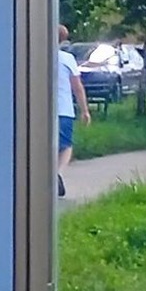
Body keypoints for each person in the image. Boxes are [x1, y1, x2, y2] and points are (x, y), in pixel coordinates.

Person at [54, 24, 90, 196]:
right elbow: (77, 87)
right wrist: (85, 110)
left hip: (41, 112)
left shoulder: (38, 57)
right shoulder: (67, 59)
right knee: (66, 146)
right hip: (64, 109)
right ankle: (58, 173)